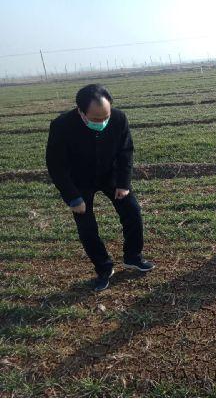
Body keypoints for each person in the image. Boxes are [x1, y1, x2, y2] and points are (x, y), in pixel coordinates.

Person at [46, 84, 154, 292]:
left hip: (109, 174)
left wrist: (123, 183)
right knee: (87, 227)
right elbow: (56, 165)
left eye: (106, 116)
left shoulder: (119, 118)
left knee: (132, 211)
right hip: (79, 180)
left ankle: (133, 256)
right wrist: (72, 197)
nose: (103, 122)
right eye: (96, 119)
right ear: (80, 112)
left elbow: (126, 151)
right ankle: (103, 268)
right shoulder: (61, 126)